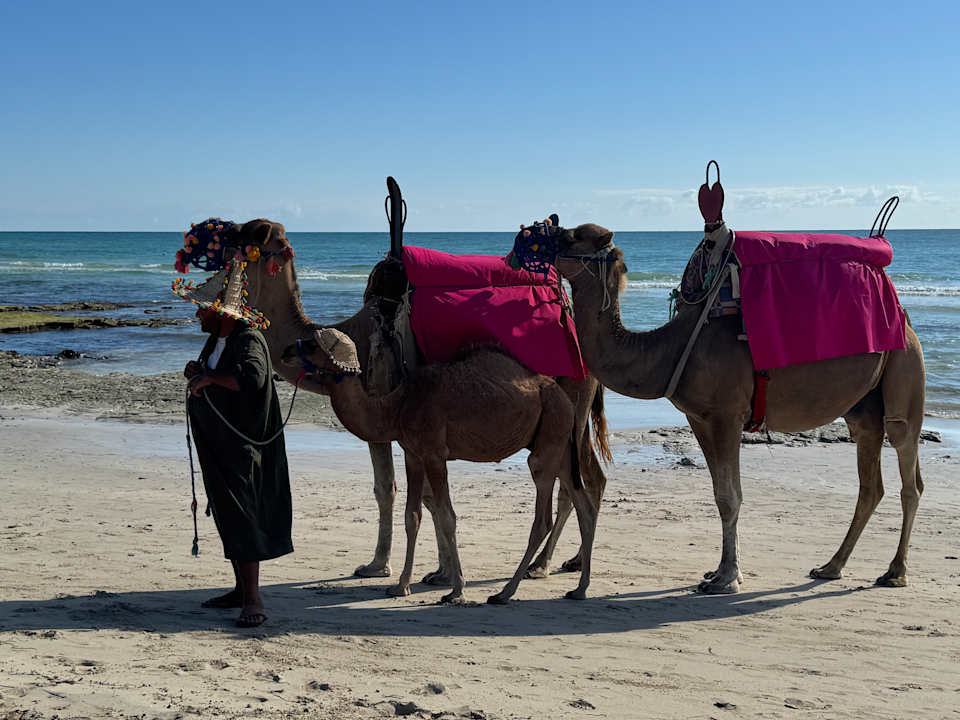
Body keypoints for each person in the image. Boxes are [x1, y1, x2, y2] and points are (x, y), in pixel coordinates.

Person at [173, 257, 292, 628]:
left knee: (243, 516)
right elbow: (222, 373)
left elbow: (253, 379)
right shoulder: (218, 339)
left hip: (243, 448)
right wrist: (201, 372)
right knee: (228, 514)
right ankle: (241, 589)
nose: (198, 315)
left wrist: (210, 380)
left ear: (220, 312)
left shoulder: (247, 338)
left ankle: (253, 598)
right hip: (220, 445)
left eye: (202, 310)